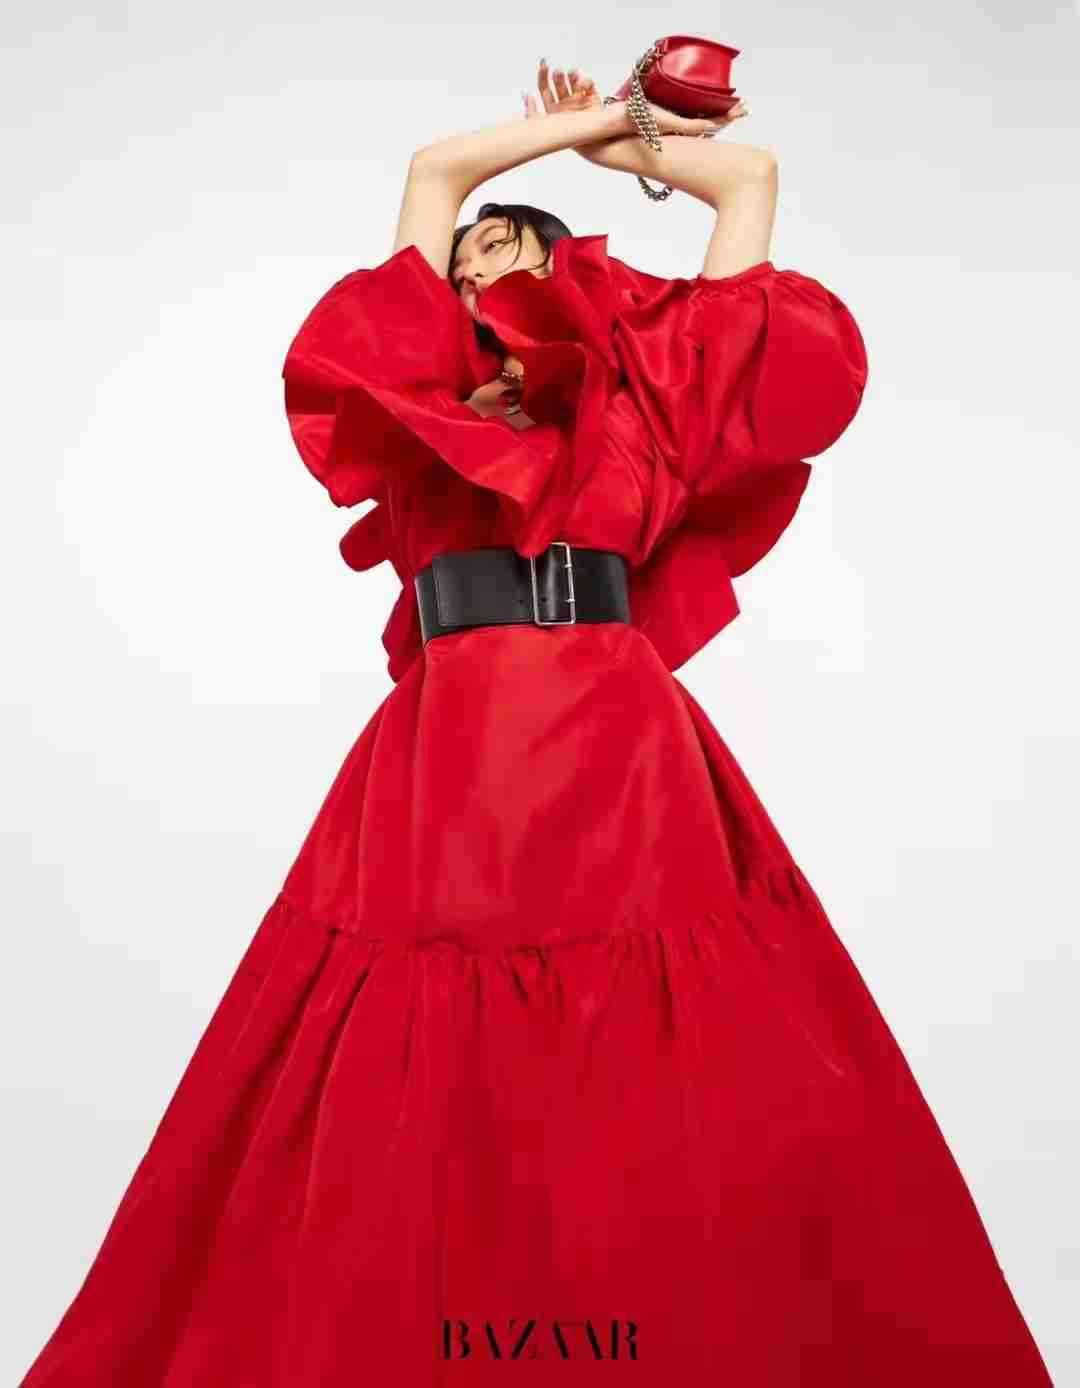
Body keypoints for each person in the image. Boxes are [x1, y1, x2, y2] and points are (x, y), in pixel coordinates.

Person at [18, 60, 1054, 1388]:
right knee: (433, 1036)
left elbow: (750, 181)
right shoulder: (411, 411)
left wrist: (628, 150)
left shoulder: (647, 404)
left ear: (562, 260)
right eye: (457, 266)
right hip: (452, 748)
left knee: (657, 1040)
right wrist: (578, 123)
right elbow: (435, 173)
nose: (471, 268)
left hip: (621, 739)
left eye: (501, 246)